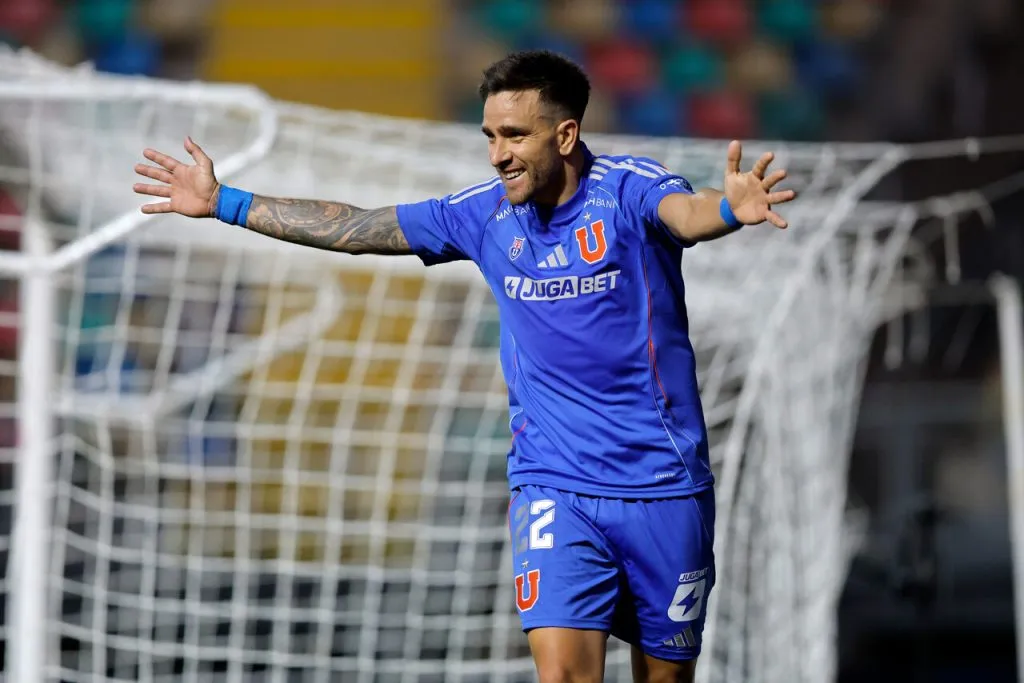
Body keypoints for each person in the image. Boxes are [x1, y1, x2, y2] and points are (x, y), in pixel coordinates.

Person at [133, 50, 795, 683]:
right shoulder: (484, 214)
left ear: (565, 135)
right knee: (563, 672)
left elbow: (687, 214)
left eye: (515, 135)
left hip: (663, 486)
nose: (498, 153)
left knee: (667, 674)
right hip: (553, 484)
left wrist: (729, 208)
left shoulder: (628, 190)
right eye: (490, 136)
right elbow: (362, 228)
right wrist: (226, 202)